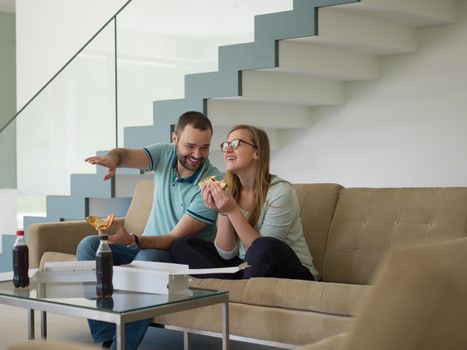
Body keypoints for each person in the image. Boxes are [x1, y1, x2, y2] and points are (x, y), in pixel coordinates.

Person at [76, 111, 221, 350]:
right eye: (190, 146)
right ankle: (106, 335)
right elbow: (125, 155)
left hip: (175, 255)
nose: (197, 155)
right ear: (174, 139)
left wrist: (133, 239)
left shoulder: (211, 184)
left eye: (204, 148)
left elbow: (173, 240)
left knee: (147, 260)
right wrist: (113, 159)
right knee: (89, 246)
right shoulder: (164, 154)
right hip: (142, 245)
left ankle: (121, 346)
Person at [171, 125, 319, 281]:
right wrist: (223, 211)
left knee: (264, 246)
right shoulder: (228, 190)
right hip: (245, 266)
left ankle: (237, 287)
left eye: (235, 144)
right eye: (226, 145)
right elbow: (226, 253)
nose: (228, 150)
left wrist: (232, 210)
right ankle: (236, 286)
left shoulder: (281, 192)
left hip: (290, 270)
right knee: (181, 245)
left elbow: (262, 252)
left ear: (257, 152)